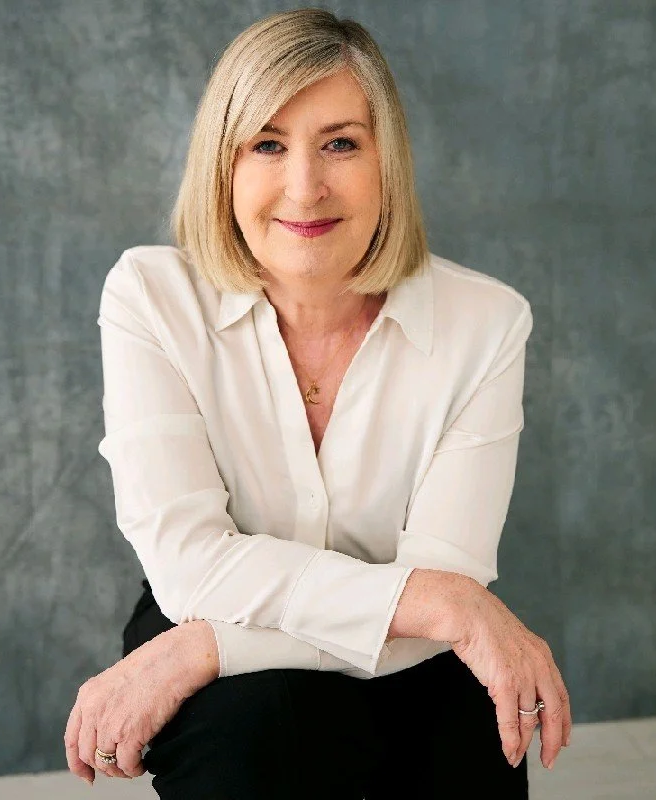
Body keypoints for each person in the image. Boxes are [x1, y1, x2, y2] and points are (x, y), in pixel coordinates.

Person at [64, 7, 572, 799]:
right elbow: (191, 564)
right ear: (223, 165)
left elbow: (447, 590)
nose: (305, 186)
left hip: (403, 651)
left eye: (341, 143)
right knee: (257, 730)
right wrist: (440, 602)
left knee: (467, 755)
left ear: (386, 163)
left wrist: (201, 650)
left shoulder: (487, 324)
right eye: (267, 144)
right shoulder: (149, 297)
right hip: (212, 611)